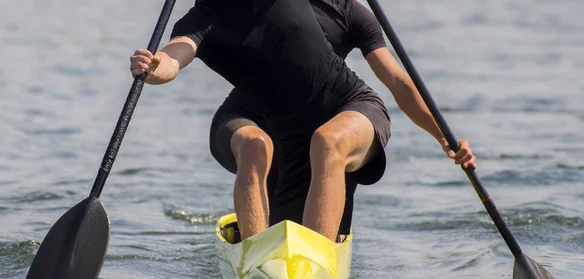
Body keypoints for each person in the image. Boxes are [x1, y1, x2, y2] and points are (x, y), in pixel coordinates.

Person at [130, 0, 476, 242]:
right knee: (264, 151)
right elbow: (174, 57)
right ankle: (259, 260)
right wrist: (155, 66)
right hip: (287, 129)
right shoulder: (200, 20)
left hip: (350, 106)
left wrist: (443, 137)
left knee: (328, 142)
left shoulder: (349, 13)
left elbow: (399, 82)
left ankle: (316, 266)